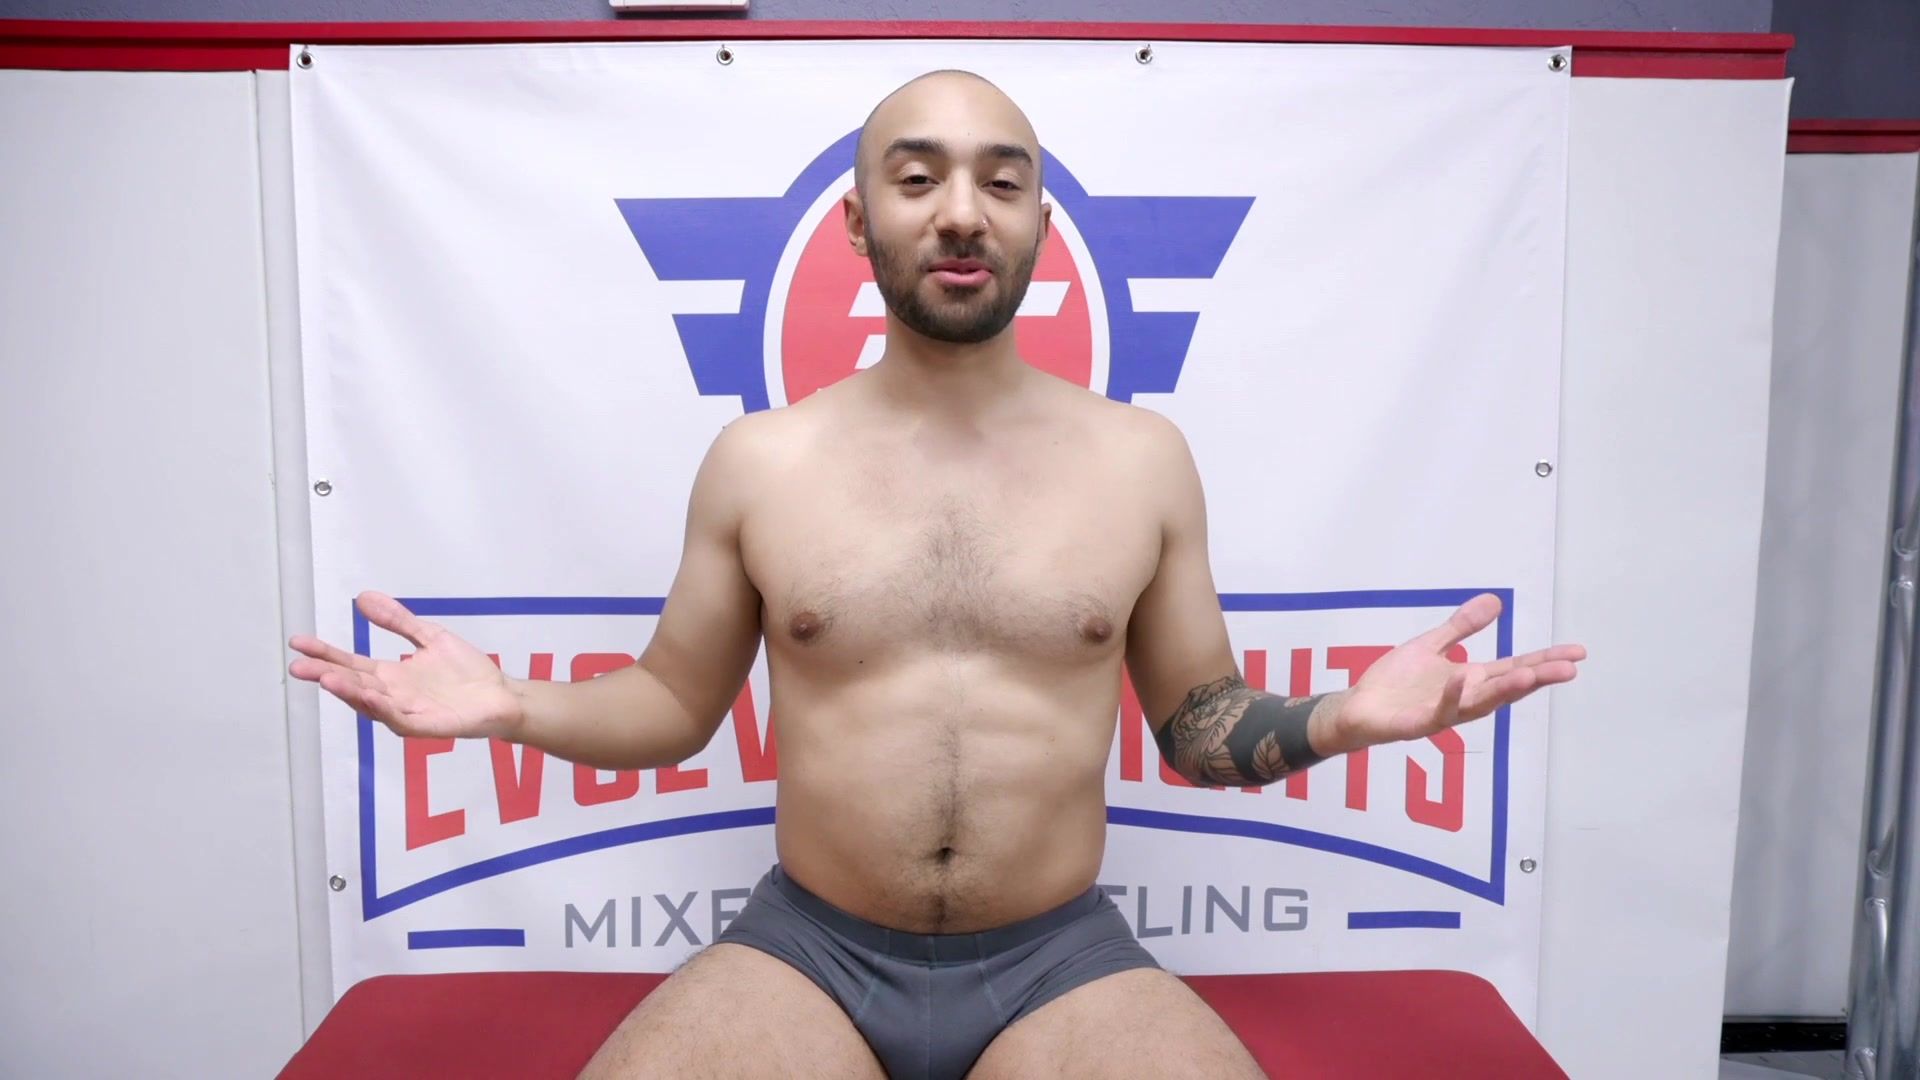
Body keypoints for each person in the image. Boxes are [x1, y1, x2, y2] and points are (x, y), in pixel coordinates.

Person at [288, 68, 1586, 1080]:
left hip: (1059, 961)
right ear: (859, 222)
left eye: (1001, 182)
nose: (961, 210)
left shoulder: (1141, 460)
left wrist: (1336, 720)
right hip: (808, 953)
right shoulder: (761, 462)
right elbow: (672, 704)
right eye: (918, 179)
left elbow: (1200, 726)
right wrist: (512, 706)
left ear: (1041, 225)